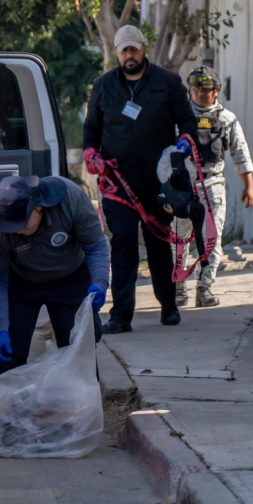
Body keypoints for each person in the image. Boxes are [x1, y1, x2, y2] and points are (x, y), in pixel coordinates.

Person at [83, 25, 201, 332]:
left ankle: (168, 305)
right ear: (116, 53)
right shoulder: (103, 85)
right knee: (122, 245)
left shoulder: (168, 82)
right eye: (124, 50)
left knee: (159, 243)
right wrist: (90, 154)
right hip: (118, 184)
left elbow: (187, 119)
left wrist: (186, 139)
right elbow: (91, 130)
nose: (130, 54)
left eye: (134, 48)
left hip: (158, 183)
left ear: (144, 48)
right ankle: (121, 315)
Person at [0, 175, 108, 383]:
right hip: (21, 280)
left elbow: (95, 247)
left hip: (71, 276)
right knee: (8, 348)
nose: (18, 230)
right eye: (11, 225)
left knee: (76, 347)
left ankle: (80, 410)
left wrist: (100, 283)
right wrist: (1, 327)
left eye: (22, 223)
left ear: (38, 206)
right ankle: (6, 411)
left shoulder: (71, 200)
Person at [176, 66, 253, 308]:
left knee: (212, 238)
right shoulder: (178, 117)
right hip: (183, 185)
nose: (199, 91)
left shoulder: (226, 119)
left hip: (213, 183)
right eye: (195, 86)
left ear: (216, 90)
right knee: (179, 239)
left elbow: (241, 154)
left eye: (205, 87)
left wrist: (248, 186)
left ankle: (204, 288)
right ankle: (178, 288)